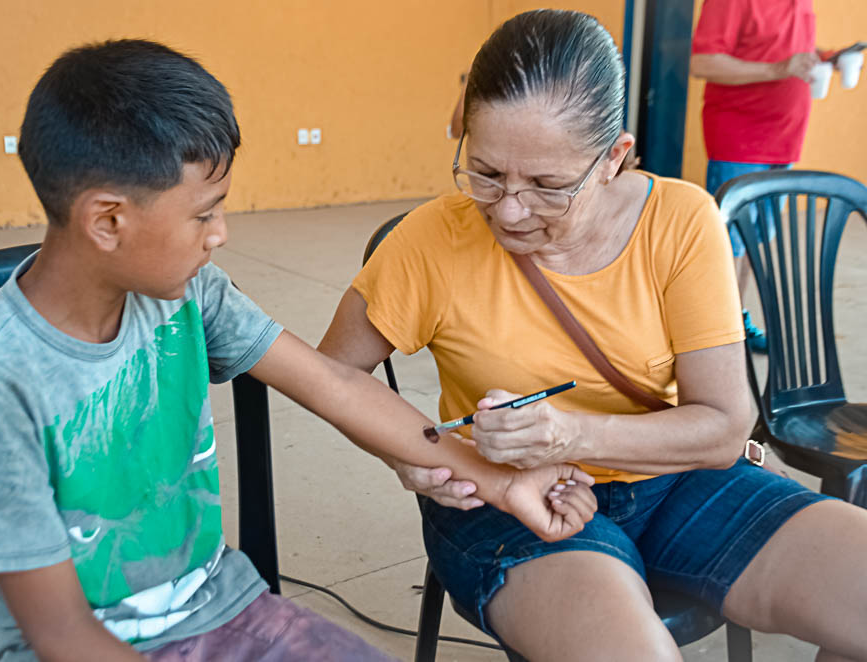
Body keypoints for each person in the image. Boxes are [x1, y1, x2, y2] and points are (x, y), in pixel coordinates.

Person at [0, 39, 597, 662]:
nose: (220, 234)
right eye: (203, 213)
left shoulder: (190, 295)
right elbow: (60, 632)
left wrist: (506, 485)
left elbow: (338, 385)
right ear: (108, 220)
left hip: (217, 611)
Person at [319, 10, 867, 661]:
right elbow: (335, 373)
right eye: (486, 173)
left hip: (672, 479)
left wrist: (574, 434)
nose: (509, 209)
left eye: (549, 185)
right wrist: (418, 451)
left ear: (614, 157)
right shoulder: (433, 239)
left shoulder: (680, 220)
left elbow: (724, 426)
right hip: (504, 497)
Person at [690, 0, 822, 353]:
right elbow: (702, 62)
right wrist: (781, 69)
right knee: (726, 245)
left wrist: (820, 58)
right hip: (740, 140)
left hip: (785, 139)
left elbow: (777, 49)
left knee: (752, 242)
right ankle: (713, 341)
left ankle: (734, 322)